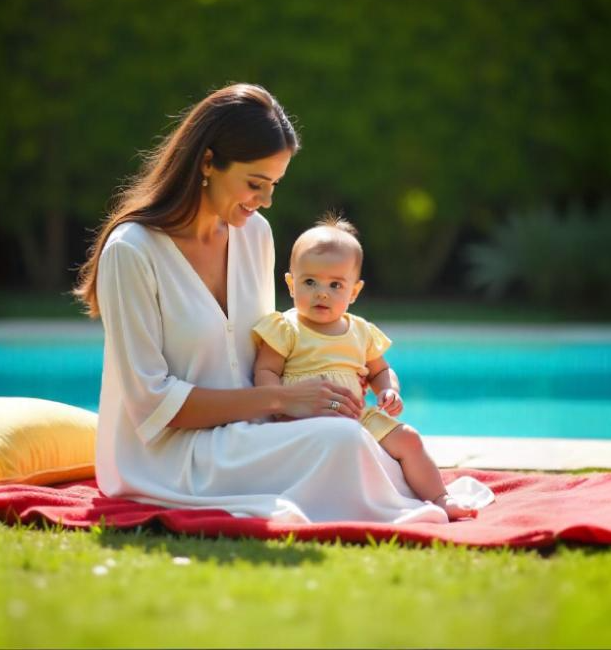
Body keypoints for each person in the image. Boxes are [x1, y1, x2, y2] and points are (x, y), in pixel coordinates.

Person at [73, 83, 491, 524]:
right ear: (208, 162)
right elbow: (152, 404)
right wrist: (280, 401)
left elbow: (267, 349)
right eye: (255, 183)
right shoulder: (132, 251)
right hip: (167, 458)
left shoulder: (255, 235)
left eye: (273, 184)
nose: (267, 200)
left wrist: (319, 390)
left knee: (359, 436)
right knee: (341, 444)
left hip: (252, 436)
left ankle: (416, 494)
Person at [251, 215, 478, 519]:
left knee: (409, 439)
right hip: (303, 416)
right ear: (291, 283)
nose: (322, 292)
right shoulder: (286, 327)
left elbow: (380, 371)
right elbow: (266, 370)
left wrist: (388, 390)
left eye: (335, 285)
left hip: (356, 413)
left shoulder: (361, 331)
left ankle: (440, 498)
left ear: (353, 292)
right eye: (309, 282)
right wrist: (280, 402)